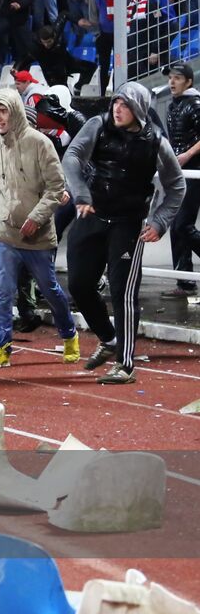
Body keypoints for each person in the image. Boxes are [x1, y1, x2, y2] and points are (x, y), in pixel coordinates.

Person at [63, 83, 186, 384]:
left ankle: (126, 364)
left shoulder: (156, 142)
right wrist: (81, 195)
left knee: (123, 292)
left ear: (139, 110)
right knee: (79, 285)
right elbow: (72, 158)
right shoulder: (98, 125)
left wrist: (158, 222)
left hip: (128, 224)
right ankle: (109, 339)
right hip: (90, 214)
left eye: (125, 105)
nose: (117, 108)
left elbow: (177, 187)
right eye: (116, 102)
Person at [0, 88, 78, 368]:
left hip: (38, 234)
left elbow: (58, 188)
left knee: (50, 288)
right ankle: (2, 347)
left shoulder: (40, 143)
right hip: (6, 231)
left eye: (3, 111)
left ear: (15, 111)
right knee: (3, 290)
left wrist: (37, 217)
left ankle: (69, 334)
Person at [161, 63, 200, 297]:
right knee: (176, 228)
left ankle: (185, 281)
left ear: (188, 81)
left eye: (177, 78)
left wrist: (187, 154)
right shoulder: (174, 105)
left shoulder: (195, 104)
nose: (172, 82)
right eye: (170, 78)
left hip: (194, 171)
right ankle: (185, 282)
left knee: (182, 225)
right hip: (179, 173)